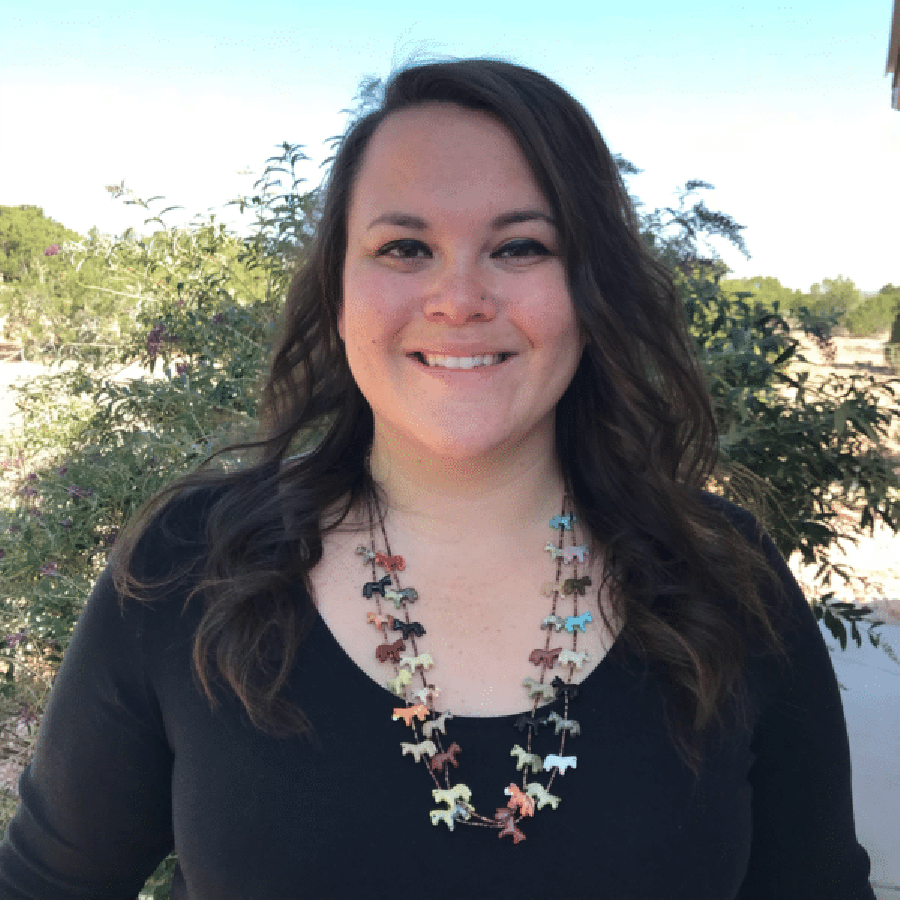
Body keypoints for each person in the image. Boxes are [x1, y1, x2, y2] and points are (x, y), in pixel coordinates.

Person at [0, 59, 876, 900]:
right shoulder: (189, 569)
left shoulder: (725, 576)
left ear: (591, 288)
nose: (458, 298)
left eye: (521, 246)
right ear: (340, 292)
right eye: (406, 246)